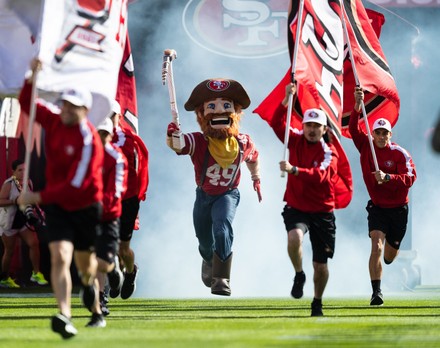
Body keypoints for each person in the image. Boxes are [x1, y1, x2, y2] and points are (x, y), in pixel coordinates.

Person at [17, 58, 105, 338]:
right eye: (64, 104)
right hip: (57, 207)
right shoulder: (54, 120)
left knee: (85, 268)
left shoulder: (89, 140)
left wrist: (36, 195)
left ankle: (93, 299)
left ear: (85, 111)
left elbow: (75, 186)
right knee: (59, 257)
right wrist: (33, 74)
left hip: (84, 207)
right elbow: (26, 103)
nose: (65, 110)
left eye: (72, 106)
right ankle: (64, 314)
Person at [166, 78, 261, 296]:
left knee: (222, 228)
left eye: (226, 105)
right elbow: (179, 145)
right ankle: (208, 259)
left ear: (235, 113)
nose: (219, 111)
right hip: (204, 196)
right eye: (211, 107)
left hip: (227, 194)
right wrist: (172, 135)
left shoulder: (243, 142)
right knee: (204, 240)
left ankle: (222, 279)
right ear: (202, 115)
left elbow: (253, 158)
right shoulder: (199, 142)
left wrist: (256, 177)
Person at [274, 83, 340, 317]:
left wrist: (294, 170)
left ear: (324, 129)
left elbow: (322, 177)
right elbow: (278, 123)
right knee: (294, 238)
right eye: (308, 125)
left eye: (316, 126)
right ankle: (299, 273)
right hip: (297, 206)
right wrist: (286, 99)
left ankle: (317, 301)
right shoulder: (296, 138)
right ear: (303, 126)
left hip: (322, 211)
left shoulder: (330, 152)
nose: (311, 129)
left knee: (320, 265)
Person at [350, 87, 417, 306]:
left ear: (390, 135)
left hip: (398, 209)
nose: (380, 136)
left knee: (389, 255)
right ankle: (376, 292)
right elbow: (353, 129)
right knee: (376, 246)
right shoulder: (366, 146)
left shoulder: (400, 153)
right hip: (378, 208)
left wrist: (388, 177)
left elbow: (410, 178)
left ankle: (390, 259)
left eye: (384, 133)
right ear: (373, 134)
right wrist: (357, 105)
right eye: (377, 132)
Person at [108, 100, 145, 300]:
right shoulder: (92, 137)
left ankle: (129, 273)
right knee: (107, 244)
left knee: (123, 247)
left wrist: (138, 194)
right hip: (104, 198)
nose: (107, 119)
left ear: (119, 117)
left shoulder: (128, 139)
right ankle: (113, 277)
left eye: (111, 115)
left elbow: (140, 171)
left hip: (127, 198)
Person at [95, 117, 127, 316]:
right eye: (98, 133)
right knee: (91, 259)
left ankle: (113, 268)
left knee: (103, 260)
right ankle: (100, 299)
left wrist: (99, 204)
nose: (101, 138)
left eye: (105, 134)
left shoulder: (116, 157)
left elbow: (117, 189)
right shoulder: (84, 154)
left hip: (108, 215)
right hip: (87, 214)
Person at [0, 159, 48, 288]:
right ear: (13, 171)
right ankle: (4, 278)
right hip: (8, 222)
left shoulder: (28, 182)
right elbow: (0, 201)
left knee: (34, 243)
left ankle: (36, 273)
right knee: (9, 251)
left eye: (25, 170)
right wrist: (16, 201)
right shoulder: (9, 184)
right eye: (20, 170)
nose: (23, 173)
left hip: (22, 221)